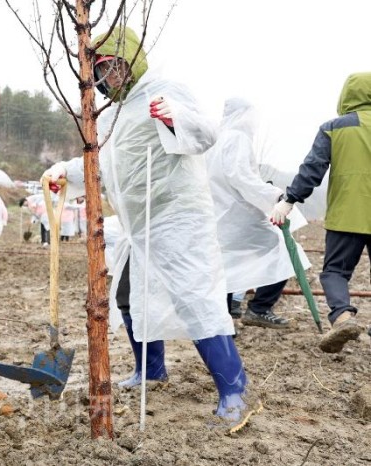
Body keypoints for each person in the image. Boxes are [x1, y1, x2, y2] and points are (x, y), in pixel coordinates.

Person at [43, 26, 259, 430]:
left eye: (109, 69)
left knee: (195, 298)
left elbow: (206, 132)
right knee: (130, 296)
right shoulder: (116, 113)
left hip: (178, 218)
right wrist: (64, 174)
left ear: (129, 62)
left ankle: (235, 390)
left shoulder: (164, 88)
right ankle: (151, 370)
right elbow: (103, 163)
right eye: (98, 73)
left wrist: (174, 118)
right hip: (138, 223)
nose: (105, 81)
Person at [270, 71, 370, 353]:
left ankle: (342, 317)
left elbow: (313, 169)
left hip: (347, 214)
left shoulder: (334, 127)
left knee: (335, 271)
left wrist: (289, 199)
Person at [205, 97, 312, 330]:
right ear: (245, 115)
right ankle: (260, 308)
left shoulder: (215, 140)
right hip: (240, 215)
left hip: (219, 215)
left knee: (225, 264)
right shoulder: (237, 138)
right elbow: (242, 178)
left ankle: (222, 323)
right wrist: (275, 196)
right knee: (284, 251)